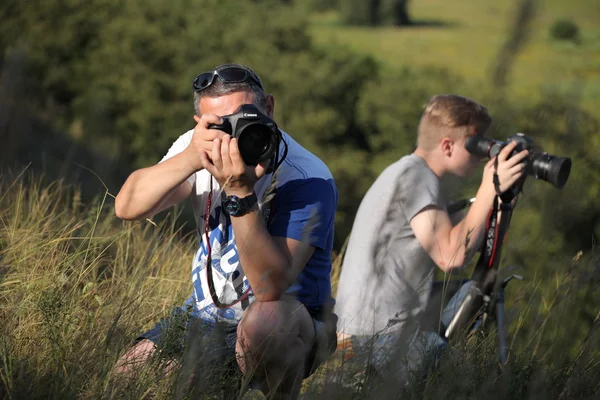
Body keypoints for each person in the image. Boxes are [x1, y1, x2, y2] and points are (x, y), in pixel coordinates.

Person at [112, 63, 339, 399]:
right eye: (220, 126)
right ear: (200, 126)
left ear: (270, 109)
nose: (234, 137)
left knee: (265, 325)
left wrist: (239, 191)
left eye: (245, 118)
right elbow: (127, 207)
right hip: (207, 316)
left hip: (291, 319)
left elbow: (270, 287)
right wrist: (191, 156)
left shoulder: (307, 178)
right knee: (125, 380)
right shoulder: (197, 148)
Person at [333, 94, 528, 384]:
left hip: (362, 333)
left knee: (473, 292)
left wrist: (498, 202)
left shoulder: (405, 172)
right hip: (371, 342)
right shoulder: (415, 177)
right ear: (447, 145)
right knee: (469, 381)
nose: (481, 155)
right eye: (476, 144)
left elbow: (459, 242)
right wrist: (489, 188)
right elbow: (452, 257)